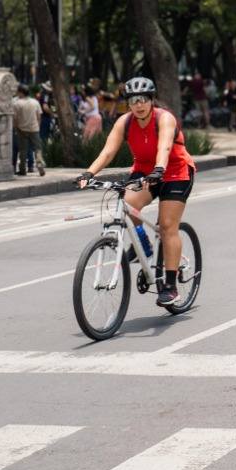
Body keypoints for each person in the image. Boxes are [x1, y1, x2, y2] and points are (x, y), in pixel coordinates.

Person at [75, 76, 197, 306]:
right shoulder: (125, 122)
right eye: (133, 101)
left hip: (174, 171)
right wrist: (88, 174)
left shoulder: (165, 118)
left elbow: (165, 146)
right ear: (128, 104)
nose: (138, 105)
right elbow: (108, 152)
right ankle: (144, 245)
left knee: (167, 226)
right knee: (128, 205)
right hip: (144, 171)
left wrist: (159, 168)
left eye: (143, 100)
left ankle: (170, 286)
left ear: (151, 100)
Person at [12, 85, 46, 176]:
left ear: (21, 92)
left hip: (21, 129)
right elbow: (39, 116)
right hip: (34, 129)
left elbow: (15, 118)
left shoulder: (17, 104)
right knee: (37, 149)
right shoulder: (35, 102)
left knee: (23, 150)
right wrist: (37, 126)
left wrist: (15, 128)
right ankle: (40, 165)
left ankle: (22, 169)